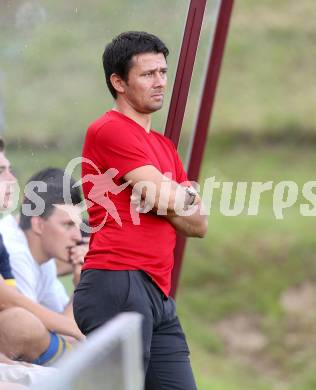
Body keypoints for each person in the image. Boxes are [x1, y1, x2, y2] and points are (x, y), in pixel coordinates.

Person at [73, 31, 208, 389]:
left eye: (163, 72)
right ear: (118, 81)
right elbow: (167, 198)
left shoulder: (163, 146)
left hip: (158, 293)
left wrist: (177, 196)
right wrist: (177, 194)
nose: (160, 82)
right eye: (148, 74)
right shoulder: (109, 130)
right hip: (118, 280)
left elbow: (198, 225)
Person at [0, 141, 83, 368]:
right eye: (68, 225)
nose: (78, 236)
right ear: (38, 224)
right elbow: (33, 335)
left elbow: (62, 328)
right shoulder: (15, 252)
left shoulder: (41, 251)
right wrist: (82, 285)